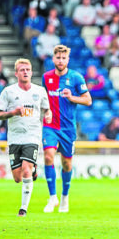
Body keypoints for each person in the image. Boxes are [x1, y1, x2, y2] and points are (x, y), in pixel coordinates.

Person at [0, 58, 52, 216]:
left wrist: (48, 115)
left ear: (31, 72)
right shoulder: (8, 92)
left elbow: (47, 109)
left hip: (32, 135)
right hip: (14, 138)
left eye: (28, 69)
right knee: (17, 178)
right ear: (16, 73)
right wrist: (13, 113)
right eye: (22, 70)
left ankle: (23, 209)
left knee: (26, 171)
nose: (25, 72)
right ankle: (33, 170)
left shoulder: (39, 91)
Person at [42, 45, 92, 213]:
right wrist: (45, 111)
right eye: (58, 57)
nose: (61, 60)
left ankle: (65, 197)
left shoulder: (76, 77)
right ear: (53, 59)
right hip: (50, 126)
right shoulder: (46, 77)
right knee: (48, 156)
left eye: (64, 58)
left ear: (68, 60)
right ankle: (52, 197)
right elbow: (44, 99)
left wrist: (72, 97)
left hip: (68, 129)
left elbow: (88, 100)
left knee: (66, 163)